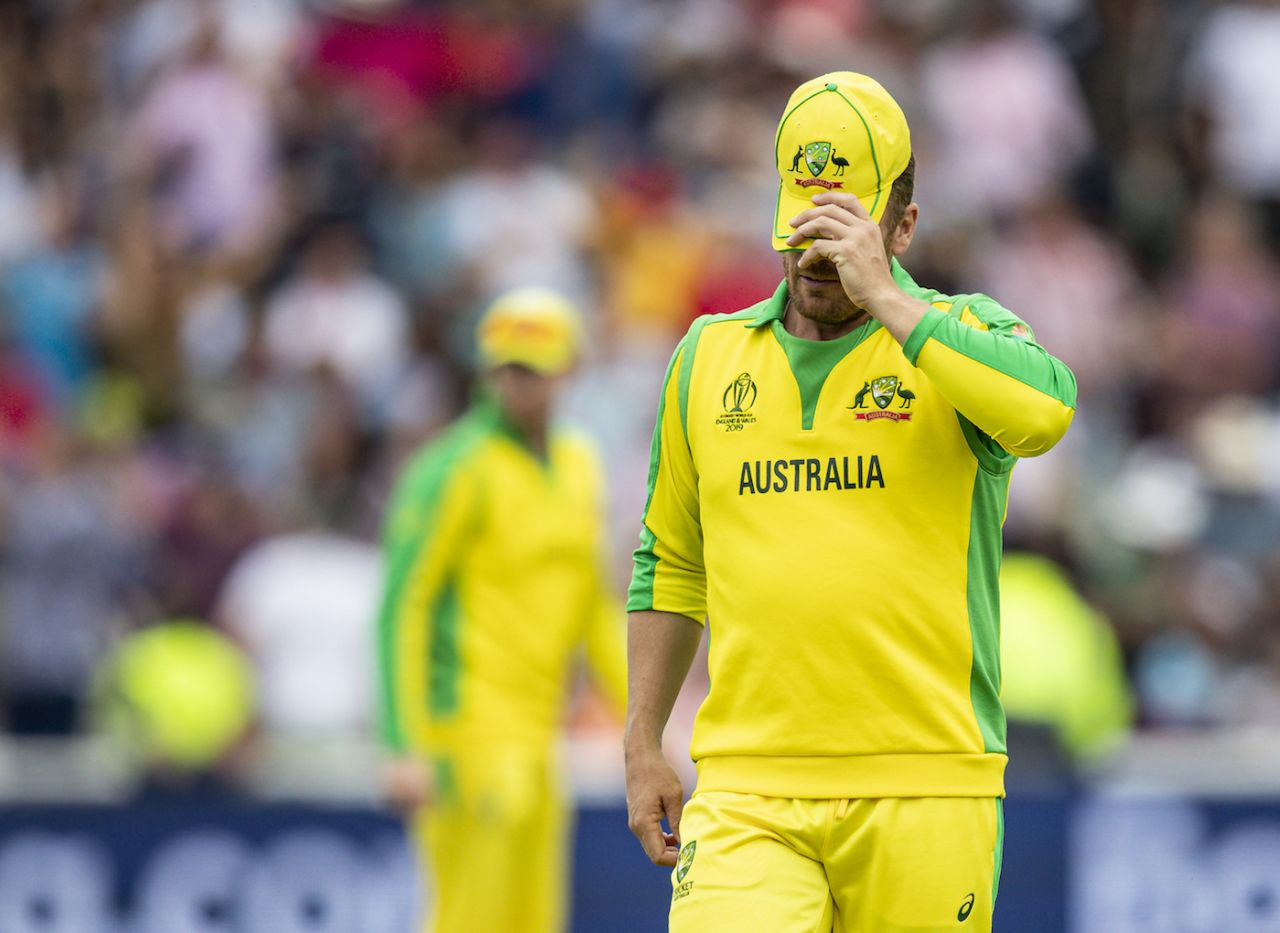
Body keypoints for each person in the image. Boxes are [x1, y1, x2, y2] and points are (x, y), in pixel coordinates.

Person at [624, 72, 1077, 932]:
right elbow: (672, 562)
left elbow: (1048, 409)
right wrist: (643, 739)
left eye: (846, 231)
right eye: (801, 229)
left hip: (927, 780)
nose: (815, 258)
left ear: (903, 226)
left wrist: (892, 302)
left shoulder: (957, 335)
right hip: (748, 787)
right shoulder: (706, 359)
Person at [374, 287, 627, 933]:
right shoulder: (452, 468)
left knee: (534, 921)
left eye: (535, 370)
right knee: (470, 919)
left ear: (570, 370)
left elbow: (590, 605)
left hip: (540, 735)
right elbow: (403, 605)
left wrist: (642, 717)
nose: (519, 385)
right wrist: (403, 742)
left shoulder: (577, 464)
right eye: (508, 368)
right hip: (465, 736)